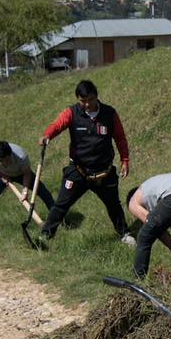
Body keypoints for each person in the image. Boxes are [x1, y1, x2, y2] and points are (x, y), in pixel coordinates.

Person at [38, 80, 132, 240]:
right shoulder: (72, 112)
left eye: (90, 99)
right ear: (78, 100)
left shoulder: (110, 114)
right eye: (83, 101)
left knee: (114, 205)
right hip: (78, 170)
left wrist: (125, 160)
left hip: (104, 171)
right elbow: (57, 125)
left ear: (96, 96)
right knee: (61, 204)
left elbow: (120, 138)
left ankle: (124, 234)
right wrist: (47, 135)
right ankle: (46, 235)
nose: (87, 104)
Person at [0, 140, 55, 228]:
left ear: (10, 154)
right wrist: (1, 175)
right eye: (1, 161)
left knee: (44, 192)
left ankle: (58, 218)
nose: (5, 163)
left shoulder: (21, 156)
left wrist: (25, 191)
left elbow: (27, 173)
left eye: (7, 160)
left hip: (21, 173)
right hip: (1, 174)